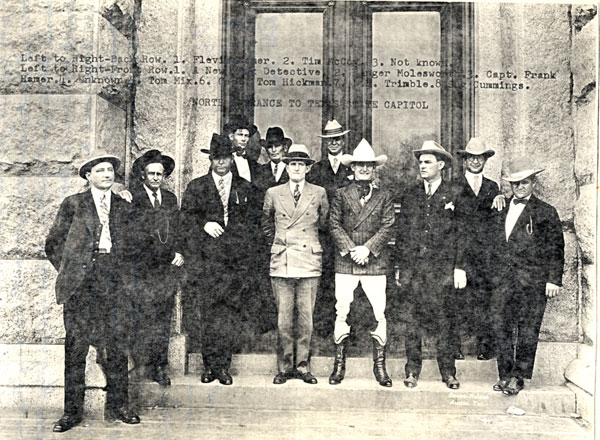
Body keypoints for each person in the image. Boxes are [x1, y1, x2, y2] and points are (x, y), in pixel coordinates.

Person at [45, 150, 140, 432]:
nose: (107, 175)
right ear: (88, 176)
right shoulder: (74, 204)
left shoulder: (124, 206)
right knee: (76, 347)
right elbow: (53, 244)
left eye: (110, 170)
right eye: (99, 170)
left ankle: (120, 405)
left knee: (118, 344)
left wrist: (125, 275)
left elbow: (135, 245)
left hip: (114, 280)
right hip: (82, 284)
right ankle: (71, 411)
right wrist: (72, 271)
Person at [180, 134, 259, 386]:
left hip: (234, 264)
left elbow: (254, 224)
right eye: (217, 158)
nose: (221, 162)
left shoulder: (245, 187)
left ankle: (223, 366)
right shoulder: (197, 187)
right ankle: (209, 366)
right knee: (207, 314)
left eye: (225, 157)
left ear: (231, 159)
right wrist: (204, 224)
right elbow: (185, 220)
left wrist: (241, 248)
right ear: (211, 159)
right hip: (206, 263)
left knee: (229, 315)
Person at [394, 141, 467, 390]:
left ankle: (447, 372)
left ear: (441, 165)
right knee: (412, 323)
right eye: (420, 162)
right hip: (414, 271)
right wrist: (400, 268)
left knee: (444, 321)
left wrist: (459, 267)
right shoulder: (411, 194)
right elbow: (402, 234)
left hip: (443, 271)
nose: (422, 166)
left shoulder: (455, 194)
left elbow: (462, 234)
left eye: (427, 162)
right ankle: (412, 370)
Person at [488, 157, 564, 396]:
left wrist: (554, 279)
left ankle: (519, 376)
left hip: (532, 281)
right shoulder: (500, 207)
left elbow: (556, 248)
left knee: (528, 329)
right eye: (515, 183)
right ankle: (504, 374)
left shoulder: (545, 212)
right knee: (500, 326)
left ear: (533, 183)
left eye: (525, 183)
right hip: (503, 280)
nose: (520, 188)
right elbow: (489, 241)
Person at [328, 139, 395, 387]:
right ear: (352, 169)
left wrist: (367, 248)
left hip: (374, 262)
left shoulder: (384, 196)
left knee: (380, 312)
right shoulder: (341, 195)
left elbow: (388, 225)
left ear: (374, 168)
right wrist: (351, 249)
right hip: (346, 262)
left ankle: (380, 368)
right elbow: (334, 224)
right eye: (360, 166)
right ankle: (339, 367)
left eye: (368, 165)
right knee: (341, 310)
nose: (364, 169)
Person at [262, 144, 329, 385]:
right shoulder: (273, 192)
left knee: (306, 318)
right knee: (283, 318)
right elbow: (267, 225)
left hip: (309, 261)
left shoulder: (319, 193)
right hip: (283, 260)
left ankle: (302, 366)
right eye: (292, 164)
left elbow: (324, 224)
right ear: (286, 167)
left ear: (308, 168)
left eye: (301, 164)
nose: (297, 168)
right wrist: (279, 244)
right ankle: (284, 367)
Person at [129, 150, 184, 387]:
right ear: (143, 175)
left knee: (163, 319)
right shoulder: (132, 197)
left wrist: (181, 252)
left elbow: (179, 229)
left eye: (159, 174)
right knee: (142, 318)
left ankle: (160, 366)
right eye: (151, 173)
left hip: (166, 270)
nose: (155, 178)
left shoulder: (170, 199)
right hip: (142, 270)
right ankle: (141, 366)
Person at [454, 137, 505, 360]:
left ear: (485, 160)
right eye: (471, 158)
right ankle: (455, 346)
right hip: (458, 253)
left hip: (484, 256)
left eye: (480, 158)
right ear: (465, 160)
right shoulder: (454, 186)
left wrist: (503, 197)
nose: (475, 162)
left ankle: (485, 346)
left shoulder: (493, 187)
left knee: (485, 300)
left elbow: (499, 221)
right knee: (456, 300)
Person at [307, 119, 352, 339]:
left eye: (337, 139)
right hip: (323, 233)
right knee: (324, 279)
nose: (333, 143)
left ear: (343, 141)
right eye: (329, 140)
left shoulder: (352, 168)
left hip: (347, 232)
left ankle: (347, 329)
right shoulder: (316, 169)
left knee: (347, 281)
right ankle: (324, 329)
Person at [224, 114, 260, 183]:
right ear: (231, 137)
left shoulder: (254, 164)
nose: (243, 139)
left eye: (246, 136)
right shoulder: (223, 162)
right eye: (240, 135)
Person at [254, 126, 291, 191]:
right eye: (270, 147)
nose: (273, 150)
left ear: (285, 148)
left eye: (277, 146)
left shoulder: (291, 169)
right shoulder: (260, 170)